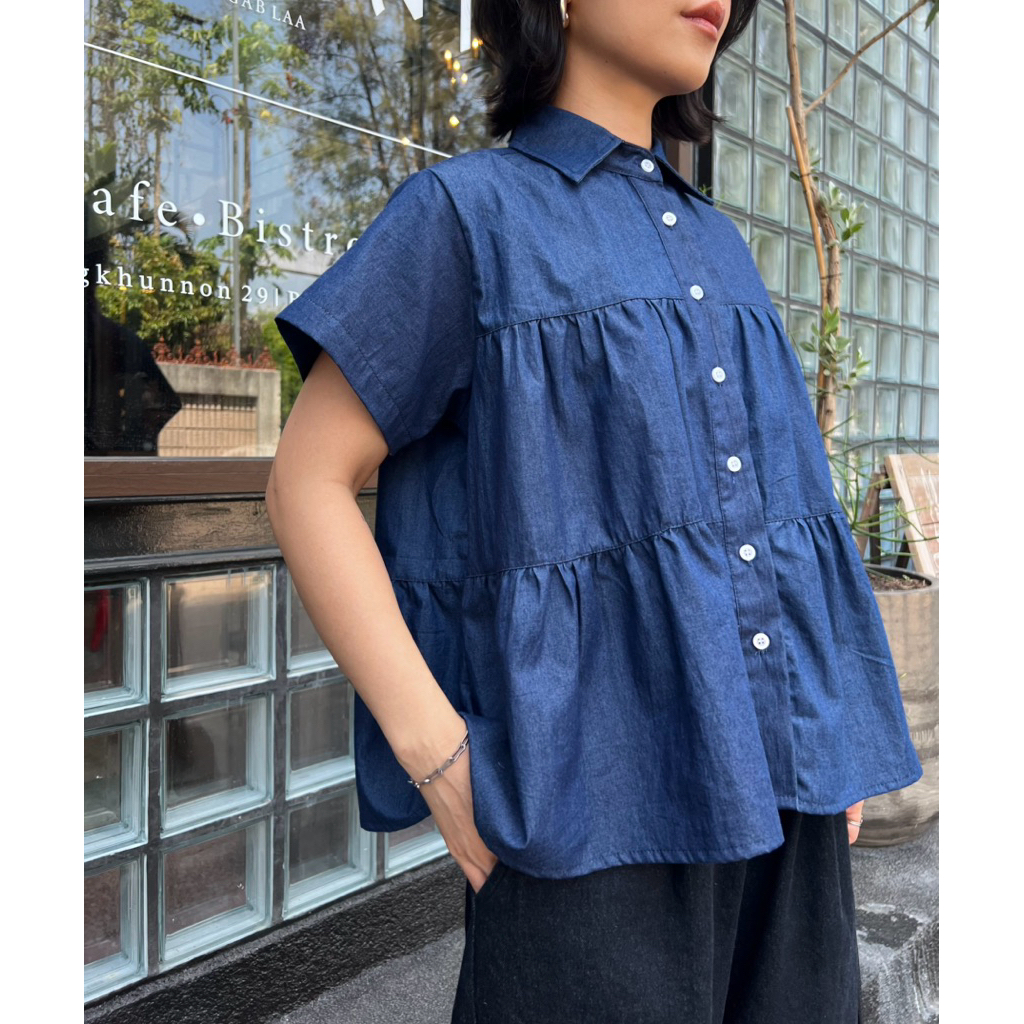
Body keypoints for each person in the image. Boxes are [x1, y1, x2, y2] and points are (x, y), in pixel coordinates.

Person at [267, 1, 924, 1020]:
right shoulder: (466, 215)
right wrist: (437, 752)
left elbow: (775, 515)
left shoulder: (719, 243)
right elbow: (306, 481)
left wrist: (827, 730)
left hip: (788, 800)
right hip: (585, 811)